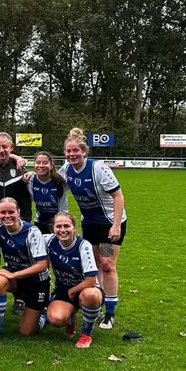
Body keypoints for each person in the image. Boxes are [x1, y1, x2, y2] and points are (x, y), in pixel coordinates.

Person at [59, 128, 126, 330]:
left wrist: (115, 225)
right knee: (94, 266)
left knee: (106, 264)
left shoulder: (98, 168)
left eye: (75, 151)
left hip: (108, 224)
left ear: (84, 151)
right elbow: (53, 184)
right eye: (68, 152)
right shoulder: (66, 170)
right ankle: (96, 306)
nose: (72, 155)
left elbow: (118, 196)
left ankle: (110, 313)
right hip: (89, 225)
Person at [0, 198, 50, 343]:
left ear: (18, 212)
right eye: (3, 212)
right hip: (15, 279)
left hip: (36, 281)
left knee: (26, 332)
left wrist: (13, 275)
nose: (7, 216)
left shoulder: (31, 231)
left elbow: (42, 265)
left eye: (11, 212)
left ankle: (45, 315)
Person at [43, 212, 104, 348]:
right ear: (53, 228)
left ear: (74, 228)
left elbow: (91, 281)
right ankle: (71, 318)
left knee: (91, 295)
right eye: (59, 226)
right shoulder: (48, 241)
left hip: (87, 288)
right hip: (63, 290)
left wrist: (73, 290)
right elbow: (27, 236)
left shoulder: (84, 245)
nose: (63, 230)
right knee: (55, 319)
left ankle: (86, 335)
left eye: (67, 226)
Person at [26, 151, 68, 234]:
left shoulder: (60, 181)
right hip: (39, 224)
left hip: (59, 224)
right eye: (38, 163)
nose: (41, 165)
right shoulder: (30, 180)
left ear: (51, 165)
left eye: (45, 163)